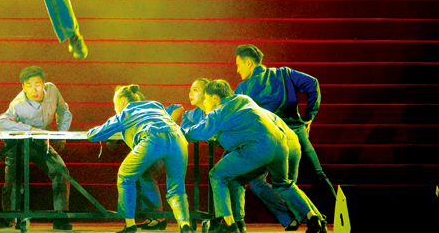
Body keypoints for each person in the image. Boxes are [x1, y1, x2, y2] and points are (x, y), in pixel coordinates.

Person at [183, 80, 326, 233]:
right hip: (281, 144)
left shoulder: (218, 112)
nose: (204, 102)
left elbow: (198, 132)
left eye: (206, 98)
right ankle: (313, 218)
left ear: (215, 98)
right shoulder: (244, 99)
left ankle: (229, 224)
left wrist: (180, 132)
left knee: (217, 174)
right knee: (284, 184)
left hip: (258, 148)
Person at [233, 44, 335, 214]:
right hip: (297, 132)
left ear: (249, 63)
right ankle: (342, 216)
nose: (237, 70)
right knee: (317, 175)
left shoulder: (242, 90)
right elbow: (312, 83)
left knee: (265, 183)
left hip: (272, 141)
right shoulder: (284, 73)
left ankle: (297, 216)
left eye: (238, 65)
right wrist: (309, 116)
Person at [86, 85, 192, 233]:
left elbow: (94, 135)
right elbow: (177, 108)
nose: (115, 108)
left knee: (125, 176)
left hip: (152, 139)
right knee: (176, 187)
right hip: (178, 140)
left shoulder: (125, 113)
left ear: (122, 101)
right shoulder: (156, 105)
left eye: (114, 103)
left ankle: (130, 225)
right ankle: (184, 224)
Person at [0, 66, 73, 230]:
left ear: (44, 83)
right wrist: (31, 130)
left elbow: (63, 111)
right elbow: (1, 123)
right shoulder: (18, 104)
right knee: (12, 181)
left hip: (40, 144)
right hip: (17, 145)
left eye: (37, 84)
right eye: (29, 86)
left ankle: (61, 218)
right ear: (23, 87)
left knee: (60, 171)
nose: (34, 90)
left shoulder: (52, 90)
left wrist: (62, 133)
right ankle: (8, 218)